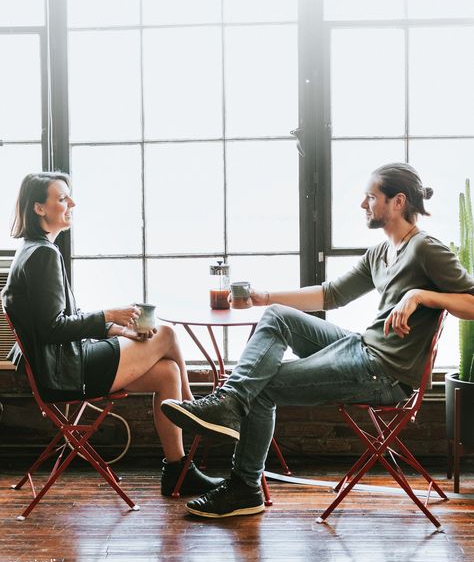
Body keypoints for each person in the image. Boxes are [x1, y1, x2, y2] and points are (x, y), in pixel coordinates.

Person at [161, 162, 474, 518]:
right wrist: (263, 296)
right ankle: (230, 402)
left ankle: (244, 487)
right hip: (363, 348)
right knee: (277, 316)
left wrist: (420, 295)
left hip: (384, 372)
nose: (363, 205)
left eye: (371, 197)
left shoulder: (426, 250)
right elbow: (330, 295)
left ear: (398, 202)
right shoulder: (380, 252)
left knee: (261, 387)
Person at [2, 172, 223, 497]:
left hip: (62, 367)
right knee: (167, 334)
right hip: (67, 374)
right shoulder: (44, 255)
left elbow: (60, 320)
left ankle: (178, 470)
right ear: (39, 208)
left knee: (167, 373)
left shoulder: (31, 250)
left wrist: (113, 327)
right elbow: (53, 328)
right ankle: (197, 410)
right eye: (62, 198)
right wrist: (108, 315)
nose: (72, 203)